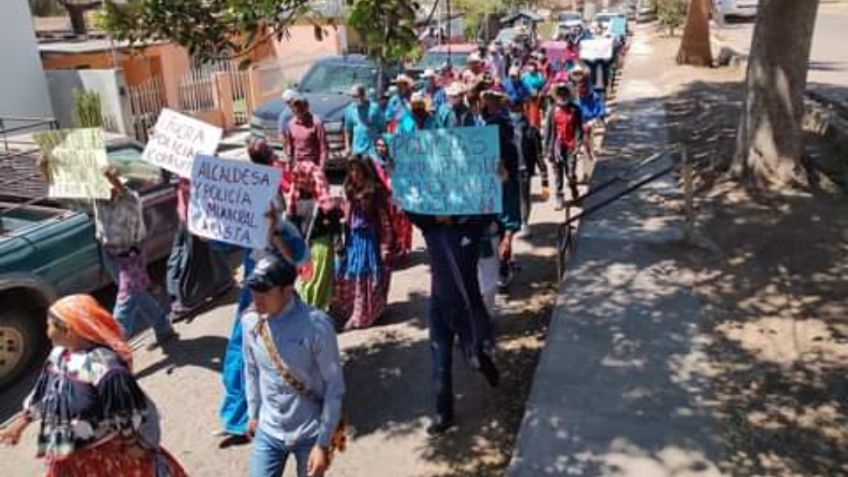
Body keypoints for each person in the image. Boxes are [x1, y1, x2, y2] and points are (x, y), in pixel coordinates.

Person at [0, 294, 187, 477]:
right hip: (65, 452)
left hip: (103, 458)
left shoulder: (105, 368)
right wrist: (21, 423)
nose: (46, 329)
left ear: (68, 330)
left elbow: (127, 411)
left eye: (49, 324)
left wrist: (132, 445)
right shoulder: (59, 355)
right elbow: (46, 391)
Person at [217, 139, 309, 445]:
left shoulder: (284, 230)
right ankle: (238, 418)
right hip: (253, 293)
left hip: (279, 296)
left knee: (284, 351)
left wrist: (274, 232)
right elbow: (223, 241)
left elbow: (296, 259)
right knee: (240, 350)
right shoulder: (246, 224)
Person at [242, 256, 344, 477]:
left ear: (287, 290)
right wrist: (253, 412)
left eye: (264, 291)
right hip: (268, 430)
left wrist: (323, 444)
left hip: (310, 433)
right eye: (253, 289)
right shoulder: (250, 322)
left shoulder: (316, 326)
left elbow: (334, 386)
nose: (256, 298)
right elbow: (250, 369)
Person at [85, 166, 178, 344]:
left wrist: (112, 180)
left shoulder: (130, 198)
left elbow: (125, 194)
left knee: (126, 298)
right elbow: (68, 197)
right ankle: (163, 328)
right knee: (137, 293)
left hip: (131, 255)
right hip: (110, 253)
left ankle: (116, 347)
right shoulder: (97, 200)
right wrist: (46, 171)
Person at [331, 155, 394, 329]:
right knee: (352, 273)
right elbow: (345, 212)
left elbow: (384, 219)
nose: (355, 174)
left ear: (366, 172)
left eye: (358, 170)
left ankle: (363, 314)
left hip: (369, 238)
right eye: (351, 170)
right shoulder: (349, 190)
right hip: (353, 237)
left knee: (365, 274)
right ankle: (355, 311)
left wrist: (386, 244)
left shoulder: (374, 192)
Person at [478, 89, 521, 292]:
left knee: (502, 231)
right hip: (496, 184)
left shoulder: (498, 126)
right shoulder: (495, 123)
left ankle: (503, 267)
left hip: (502, 183)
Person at [286, 160, 341, 312]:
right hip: (303, 250)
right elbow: (291, 227)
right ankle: (307, 311)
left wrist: (339, 246)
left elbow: (335, 224)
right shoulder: (295, 202)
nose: (302, 182)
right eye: (299, 178)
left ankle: (317, 313)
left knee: (317, 282)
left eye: (306, 178)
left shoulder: (323, 203)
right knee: (303, 282)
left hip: (321, 248)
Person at [508, 99, 547, 238]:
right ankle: (513, 222)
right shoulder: (505, 129)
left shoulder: (531, 130)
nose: (514, 112)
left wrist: (544, 175)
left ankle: (524, 222)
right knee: (511, 198)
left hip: (524, 169)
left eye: (517, 108)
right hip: (510, 170)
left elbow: (538, 153)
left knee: (524, 198)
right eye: (512, 109)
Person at [543, 82, 584, 210]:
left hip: (571, 145)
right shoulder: (552, 110)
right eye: (560, 93)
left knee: (571, 172)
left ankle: (573, 188)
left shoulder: (575, 109)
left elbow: (579, 129)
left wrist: (578, 145)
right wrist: (547, 150)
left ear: (568, 94)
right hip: (556, 147)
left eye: (564, 92)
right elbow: (548, 131)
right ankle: (559, 196)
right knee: (558, 173)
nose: (562, 95)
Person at [372, 136, 413, 259]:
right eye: (378, 145)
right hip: (381, 198)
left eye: (383, 145)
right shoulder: (374, 162)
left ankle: (402, 251)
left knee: (400, 224)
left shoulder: (395, 161)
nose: (380, 148)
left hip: (395, 196)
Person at [282, 95, 329, 169]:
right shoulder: (290, 124)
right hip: (297, 165)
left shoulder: (316, 123)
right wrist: (288, 163)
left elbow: (323, 147)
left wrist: (321, 167)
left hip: (313, 165)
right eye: (295, 106)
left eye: (301, 106)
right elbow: (289, 147)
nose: (298, 109)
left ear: (307, 107)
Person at [573, 67, 606, 167]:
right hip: (578, 123)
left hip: (591, 122)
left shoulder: (594, 96)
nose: (580, 89)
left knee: (588, 143)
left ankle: (589, 163)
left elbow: (601, 110)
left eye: (582, 86)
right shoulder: (575, 99)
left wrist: (593, 122)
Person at [343, 84, 385, 156]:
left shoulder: (374, 108)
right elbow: (347, 130)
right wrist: (347, 147)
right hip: (357, 151)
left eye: (356, 96)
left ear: (363, 95)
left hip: (372, 151)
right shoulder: (350, 109)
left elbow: (383, 127)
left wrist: (381, 144)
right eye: (352, 96)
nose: (354, 99)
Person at [521, 61, 546, 128]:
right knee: (526, 112)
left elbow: (542, 86)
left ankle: (535, 127)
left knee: (535, 112)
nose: (531, 67)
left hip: (535, 96)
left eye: (533, 65)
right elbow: (521, 85)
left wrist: (540, 92)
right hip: (526, 96)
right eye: (530, 65)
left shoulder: (539, 75)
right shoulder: (524, 75)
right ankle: (527, 126)